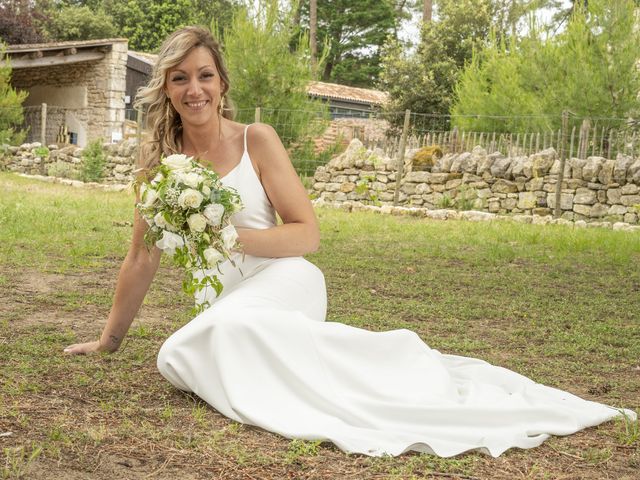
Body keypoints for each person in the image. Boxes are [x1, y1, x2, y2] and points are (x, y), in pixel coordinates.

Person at [64, 26, 634, 458]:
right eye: (181, 77)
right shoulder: (158, 167)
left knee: (203, 342)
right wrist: (108, 341)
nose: (195, 89)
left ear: (222, 84)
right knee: (181, 355)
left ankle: (395, 375)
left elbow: (307, 235)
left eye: (205, 75)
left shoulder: (256, 140)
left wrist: (231, 235)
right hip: (223, 303)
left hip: (284, 282)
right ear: (164, 86)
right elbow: (141, 256)